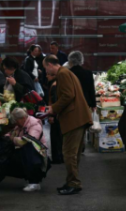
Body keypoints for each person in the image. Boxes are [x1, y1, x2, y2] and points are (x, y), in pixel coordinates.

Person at [44, 55, 92, 195]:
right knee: (73, 154)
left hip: (74, 119)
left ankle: (74, 183)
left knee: (69, 153)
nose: (46, 71)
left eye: (46, 68)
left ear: (50, 65)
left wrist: (54, 108)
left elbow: (67, 95)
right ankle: (71, 181)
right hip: (78, 117)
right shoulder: (66, 72)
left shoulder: (62, 74)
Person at [0, 108, 48, 192]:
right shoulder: (19, 125)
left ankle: (34, 182)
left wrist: (12, 139)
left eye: (16, 120)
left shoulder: (34, 124)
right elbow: (10, 134)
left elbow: (27, 141)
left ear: (23, 118)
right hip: (25, 154)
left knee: (29, 146)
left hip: (38, 156)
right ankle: (30, 178)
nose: (15, 123)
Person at [47, 72, 63, 164]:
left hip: (56, 115)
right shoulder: (60, 84)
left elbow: (54, 102)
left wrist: (51, 115)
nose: (46, 76)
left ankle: (57, 158)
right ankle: (61, 156)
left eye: (48, 74)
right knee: (60, 137)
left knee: (55, 136)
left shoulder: (54, 86)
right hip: (61, 115)